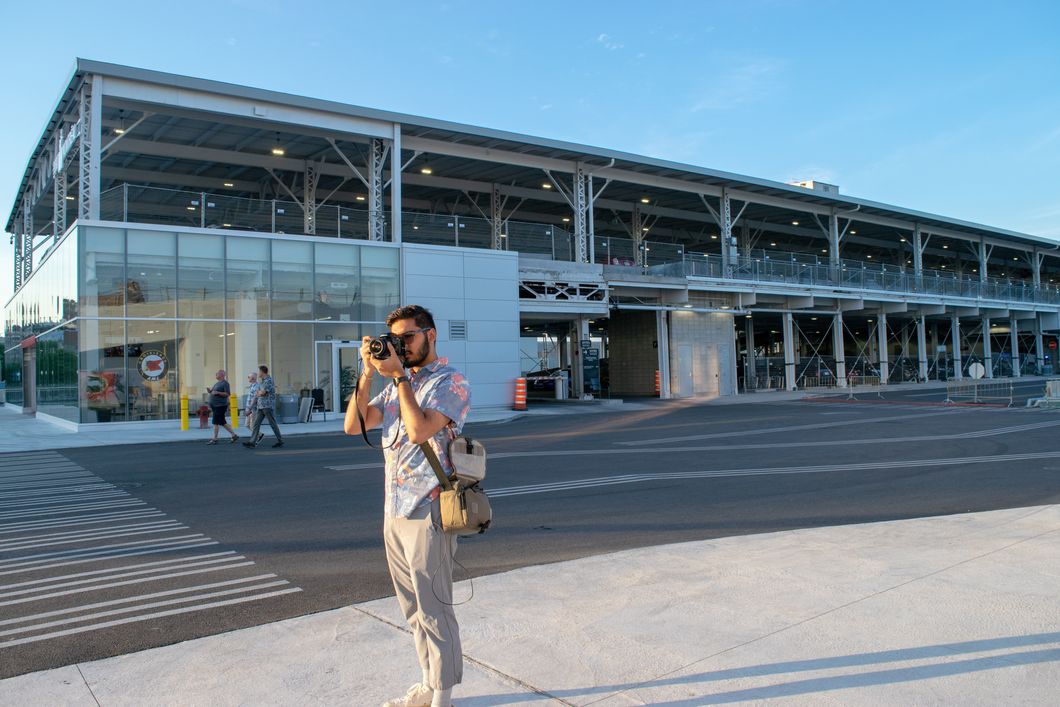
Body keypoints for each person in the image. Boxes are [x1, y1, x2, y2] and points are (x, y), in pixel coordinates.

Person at [345, 305, 471, 707]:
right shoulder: (399, 382)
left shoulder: (450, 382)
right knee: (413, 608)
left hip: (430, 509)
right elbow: (355, 424)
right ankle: (427, 683)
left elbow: (418, 430)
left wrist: (399, 375)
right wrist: (367, 372)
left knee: (435, 608)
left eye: (408, 338)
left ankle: (443, 697)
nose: (400, 346)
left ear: (431, 335)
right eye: (394, 340)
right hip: (395, 510)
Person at [243, 364, 284, 448]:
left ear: (262, 372)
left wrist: (260, 393)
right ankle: (252, 442)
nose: (258, 373)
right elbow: (259, 392)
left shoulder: (268, 380)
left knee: (272, 423)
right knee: (255, 424)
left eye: (259, 371)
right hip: (261, 406)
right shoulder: (262, 381)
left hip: (267, 406)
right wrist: (259, 393)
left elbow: (263, 392)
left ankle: (280, 440)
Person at [206, 370, 238, 445]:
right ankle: (234, 435)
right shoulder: (217, 383)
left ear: (221, 375)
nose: (215, 375)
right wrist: (210, 391)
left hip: (220, 406)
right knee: (222, 422)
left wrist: (218, 393)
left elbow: (227, 394)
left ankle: (215, 439)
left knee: (215, 422)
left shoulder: (225, 383)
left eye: (217, 374)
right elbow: (213, 392)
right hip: (215, 406)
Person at [245, 371, 263, 444]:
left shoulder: (256, 386)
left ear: (252, 378)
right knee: (247, 425)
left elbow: (255, 398)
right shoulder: (252, 386)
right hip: (249, 408)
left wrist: (249, 408)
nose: (248, 378)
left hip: (253, 409)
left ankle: (253, 441)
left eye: (248, 377)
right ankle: (260, 435)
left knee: (253, 425)